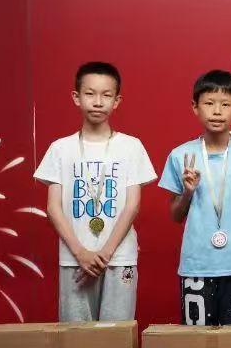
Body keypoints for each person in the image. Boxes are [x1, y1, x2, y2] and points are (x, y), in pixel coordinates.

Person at [34, 61, 156, 322]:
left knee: (117, 337)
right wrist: (81, 253)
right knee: (75, 337)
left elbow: (132, 205)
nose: (98, 102)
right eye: (90, 94)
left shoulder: (131, 146)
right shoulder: (60, 148)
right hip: (74, 259)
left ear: (117, 101)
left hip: (119, 258)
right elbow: (53, 208)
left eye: (106, 95)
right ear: (76, 97)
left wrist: (105, 254)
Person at [158, 70, 231, 325]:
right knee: (196, 343)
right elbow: (176, 216)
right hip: (196, 269)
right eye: (209, 103)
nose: (217, 111)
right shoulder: (181, 156)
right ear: (195, 107)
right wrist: (188, 192)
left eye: (225, 104)